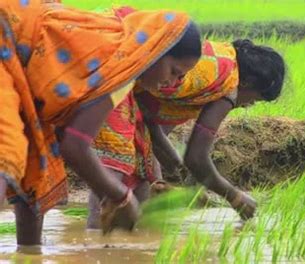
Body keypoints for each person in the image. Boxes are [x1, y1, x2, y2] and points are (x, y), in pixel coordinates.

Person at [0, 0, 201, 246]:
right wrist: (122, 196)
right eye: (174, 71)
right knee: (6, 153)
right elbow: (75, 147)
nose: (173, 83)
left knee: (34, 174)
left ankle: (28, 253)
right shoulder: (117, 68)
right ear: (157, 48)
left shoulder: (120, 65)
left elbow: (67, 137)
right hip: (7, 36)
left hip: (19, 60)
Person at [87, 6, 286, 224]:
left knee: (141, 179)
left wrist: (171, 172)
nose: (248, 105)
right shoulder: (229, 86)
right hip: (118, 69)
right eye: (254, 99)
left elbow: (152, 129)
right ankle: (95, 245)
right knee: (114, 167)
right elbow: (197, 158)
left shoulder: (215, 61)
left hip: (122, 60)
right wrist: (235, 196)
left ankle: (131, 246)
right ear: (247, 83)